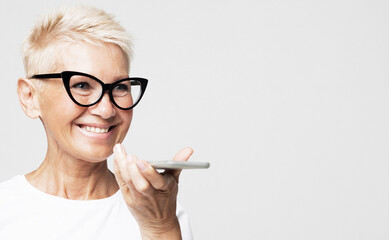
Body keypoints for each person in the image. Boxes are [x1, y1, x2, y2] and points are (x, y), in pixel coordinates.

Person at [0, 5, 193, 240]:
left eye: (120, 87)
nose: (106, 109)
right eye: (81, 85)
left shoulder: (160, 214)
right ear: (30, 97)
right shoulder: (6, 210)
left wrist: (160, 228)